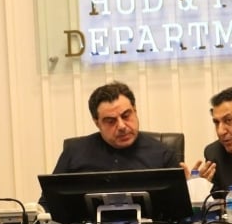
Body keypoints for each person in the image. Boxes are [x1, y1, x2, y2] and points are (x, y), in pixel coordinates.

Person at [40, 81, 188, 208]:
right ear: (97, 123)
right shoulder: (75, 152)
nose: (122, 126)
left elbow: (177, 212)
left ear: (135, 111)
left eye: (126, 116)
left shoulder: (163, 154)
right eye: (111, 121)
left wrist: (190, 186)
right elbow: (48, 205)